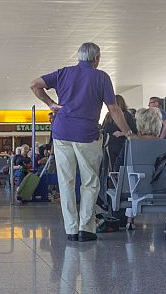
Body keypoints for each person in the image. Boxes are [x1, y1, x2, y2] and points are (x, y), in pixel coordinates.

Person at [30, 42, 132, 241]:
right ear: (96, 58)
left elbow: (34, 84)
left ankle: (71, 230)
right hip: (87, 134)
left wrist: (50, 103)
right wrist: (127, 132)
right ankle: (86, 228)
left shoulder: (63, 73)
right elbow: (113, 109)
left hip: (62, 132)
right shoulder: (101, 77)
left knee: (66, 181)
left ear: (79, 57)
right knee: (90, 181)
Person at [102, 94, 138, 171]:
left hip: (122, 144)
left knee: (120, 165)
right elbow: (103, 128)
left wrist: (122, 133)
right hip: (110, 145)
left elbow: (133, 130)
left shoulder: (127, 115)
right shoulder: (108, 115)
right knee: (111, 166)